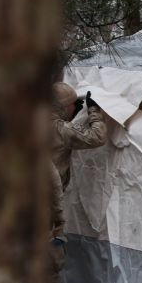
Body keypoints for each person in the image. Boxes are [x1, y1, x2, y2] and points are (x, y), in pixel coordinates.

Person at [50, 82, 109, 272]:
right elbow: (97, 136)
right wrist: (93, 111)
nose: (76, 110)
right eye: (74, 106)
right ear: (65, 107)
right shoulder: (58, 129)